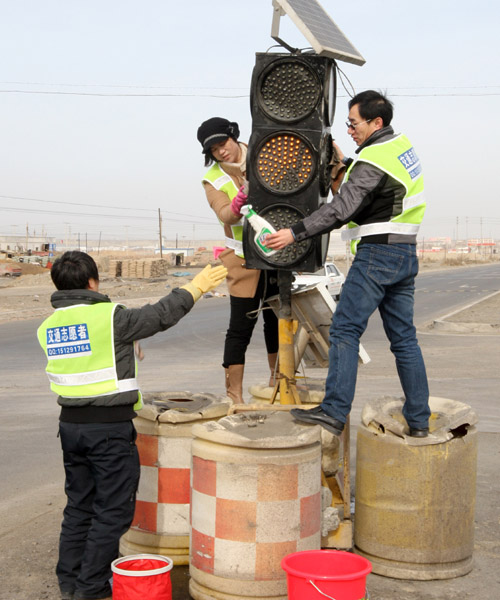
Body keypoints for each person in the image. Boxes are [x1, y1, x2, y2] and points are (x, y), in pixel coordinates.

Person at [37, 251, 227, 600]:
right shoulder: (112, 318)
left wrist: (124, 348)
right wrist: (196, 287)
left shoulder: (48, 326)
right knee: (112, 512)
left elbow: (90, 354)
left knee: (79, 507)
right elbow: (160, 315)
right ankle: (91, 589)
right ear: (93, 282)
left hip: (70, 428)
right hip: (108, 431)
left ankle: (70, 581)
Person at [265, 90, 431, 438]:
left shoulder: (374, 159)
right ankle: (419, 420)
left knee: (344, 330)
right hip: (405, 254)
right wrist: (346, 168)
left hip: (378, 256)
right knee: (404, 340)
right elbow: (381, 192)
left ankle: (334, 411)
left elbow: (343, 209)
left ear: (376, 122)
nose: (350, 131)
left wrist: (294, 233)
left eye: (354, 124)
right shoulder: (400, 147)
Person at [197, 117, 279, 403]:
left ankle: (277, 381)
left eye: (223, 144)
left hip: (276, 251)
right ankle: (235, 396)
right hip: (243, 260)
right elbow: (224, 214)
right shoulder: (214, 179)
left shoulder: (262, 150)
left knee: (276, 320)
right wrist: (235, 205)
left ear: (234, 137)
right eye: (214, 150)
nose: (221, 152)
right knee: (240, 328)